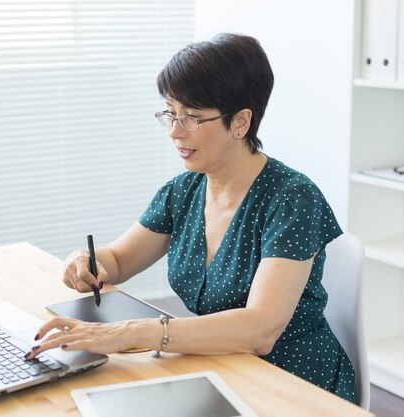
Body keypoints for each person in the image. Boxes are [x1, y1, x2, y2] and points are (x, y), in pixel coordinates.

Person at [25, 33, 357, 403]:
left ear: (241, 122)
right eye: (170, 112)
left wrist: (136, 332)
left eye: (192, 118)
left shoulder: (292, 199)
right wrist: (87, 261)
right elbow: (118, 260)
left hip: (292, 382)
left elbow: (260, 330)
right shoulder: (183, 190)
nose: (174, 131)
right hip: (218, 367)